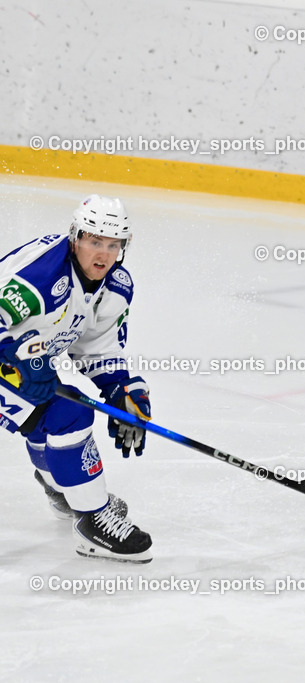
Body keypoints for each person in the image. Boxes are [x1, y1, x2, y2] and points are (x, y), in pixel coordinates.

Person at [0, 195, 153, 563]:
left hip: (17, 362)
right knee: (70, 414)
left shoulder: (114, 286)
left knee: (47, 418)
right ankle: (93, 521)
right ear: (75, 237)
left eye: (113, 244)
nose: (103, 254)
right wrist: (14, 362)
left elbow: (96, 347)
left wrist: (119, 388)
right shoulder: (39, 279)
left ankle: (63, 488)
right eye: (95, 241)